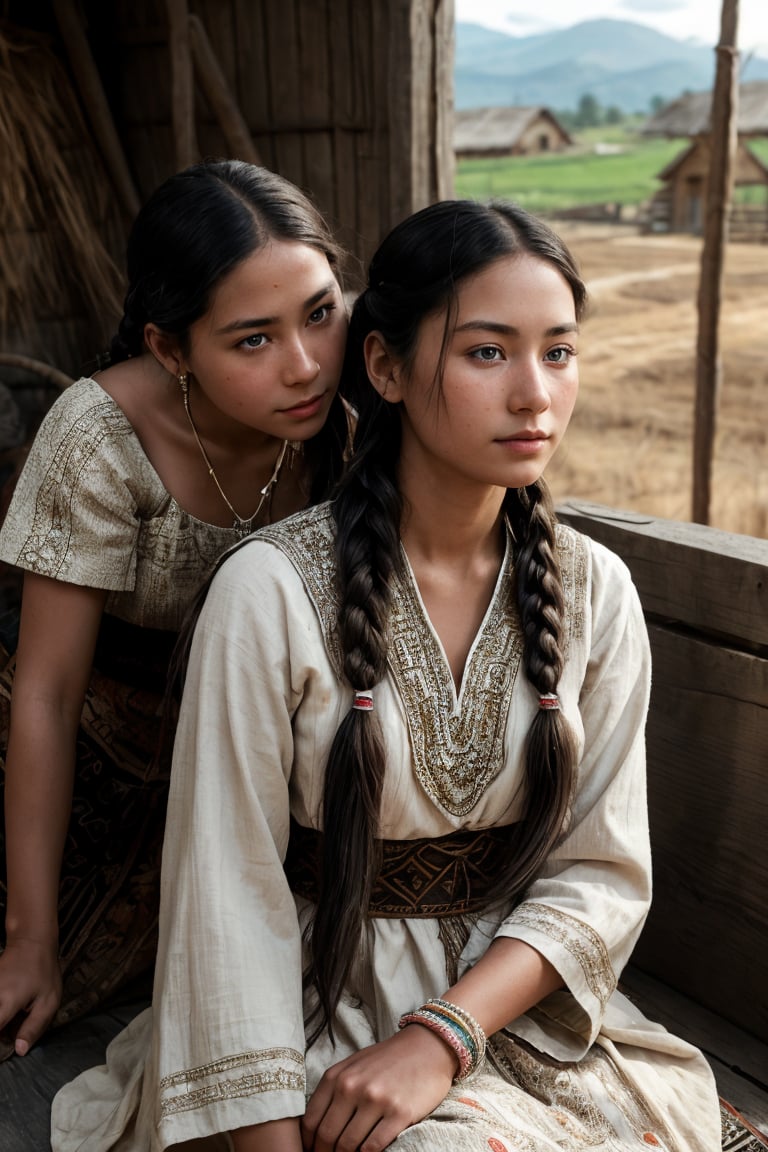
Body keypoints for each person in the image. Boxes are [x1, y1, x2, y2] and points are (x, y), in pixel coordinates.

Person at [52, 199, 721, 1152]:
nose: (535, 393)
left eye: (559, 352)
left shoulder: (593, 591)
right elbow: (228, 894)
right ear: (386, 367)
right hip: (309, 1014)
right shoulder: (270, 592)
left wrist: (442, 1038)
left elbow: (600, 877)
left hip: (507, 1015)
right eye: (488, 351)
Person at [0, 158, 349, 1122]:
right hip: (85, 758)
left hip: (243, 772)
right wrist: (30, 934)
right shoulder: (101, 435)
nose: (305, 363)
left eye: (320, 311)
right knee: (47, 992)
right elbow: (47, 695)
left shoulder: (359, 408)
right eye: (253, 338)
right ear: (171, 347)